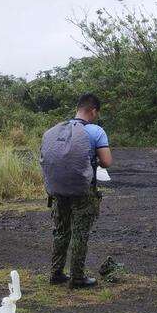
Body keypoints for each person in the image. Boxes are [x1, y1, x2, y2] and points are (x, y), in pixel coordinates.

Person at [44, 93, 112, 288]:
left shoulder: (57, 130)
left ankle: (56, 273)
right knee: (80, 233)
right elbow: (106, 162)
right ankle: (77, 277)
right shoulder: (95, 131)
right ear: (93, 110)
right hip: (82, 191)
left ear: (78, 108)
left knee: (61, 231)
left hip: (58, 190)